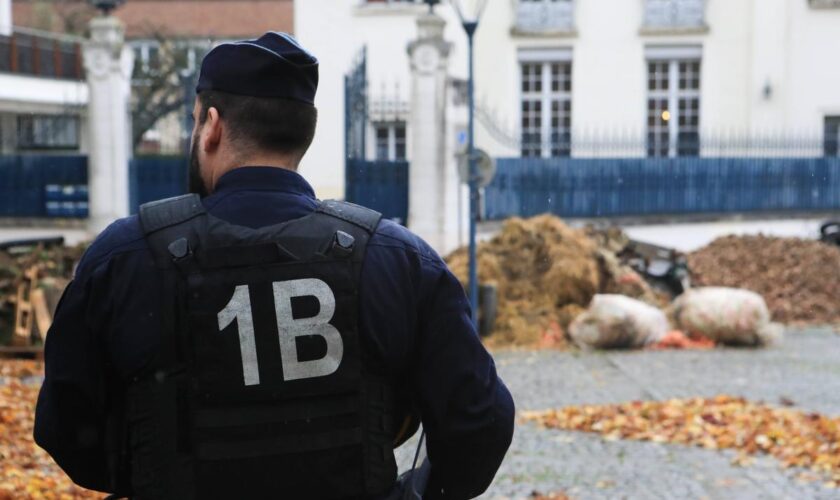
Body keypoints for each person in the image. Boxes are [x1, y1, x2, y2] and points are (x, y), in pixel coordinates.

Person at [34, 32, 514, 499]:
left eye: (195, 122)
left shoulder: (123, 258)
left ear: (213, 125)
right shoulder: (398, 260)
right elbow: (479, 423)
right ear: (302, 135)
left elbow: (66, 429)